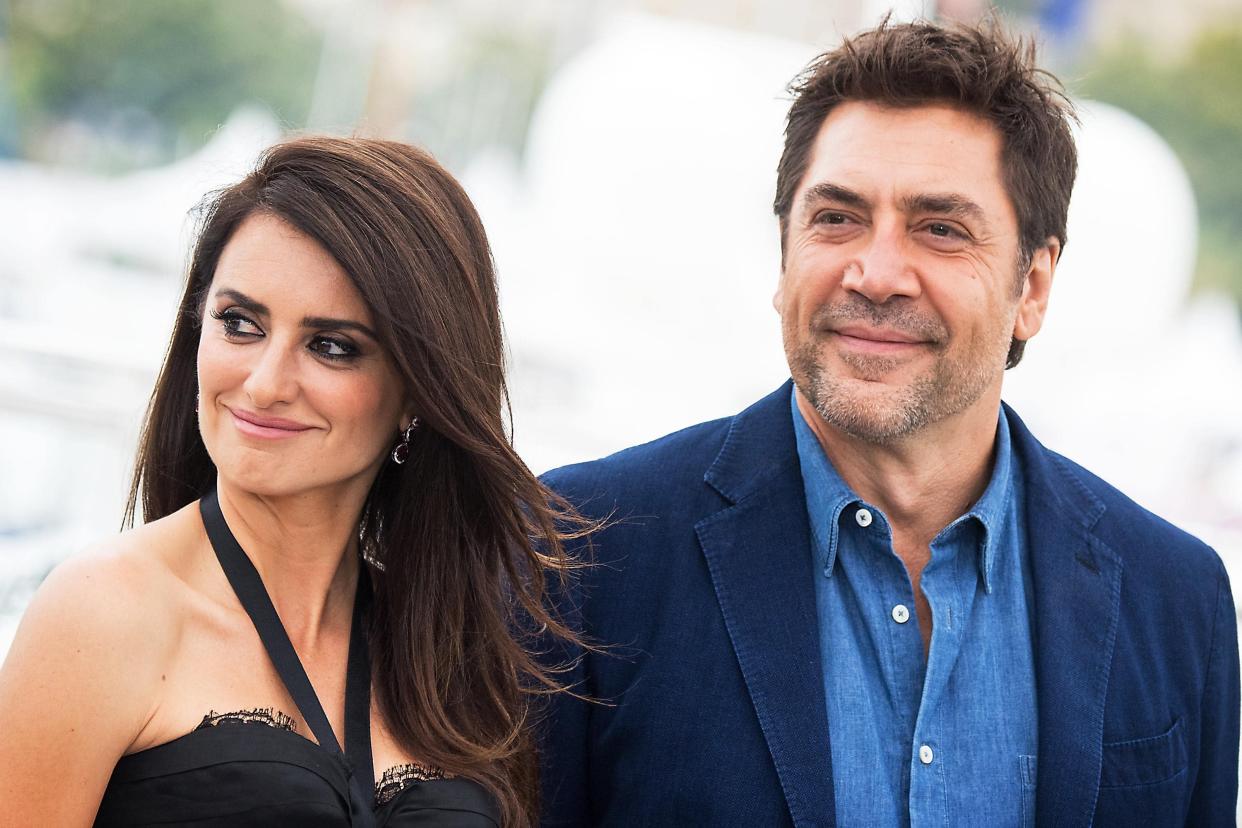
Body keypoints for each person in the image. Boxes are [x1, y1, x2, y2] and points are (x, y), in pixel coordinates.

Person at [539, 19, 1239, 827]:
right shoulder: (583, 552)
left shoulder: (1174, 596)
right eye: (836, 218)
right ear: (783, 255)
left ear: (1034, 287)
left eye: (940, 229)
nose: (874, 274)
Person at [0, 137, 588, 827]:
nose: (266, 383)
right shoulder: (104, 612)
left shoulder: (448, 653)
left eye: (331, 346)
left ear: (418, 389)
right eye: (239, 324)